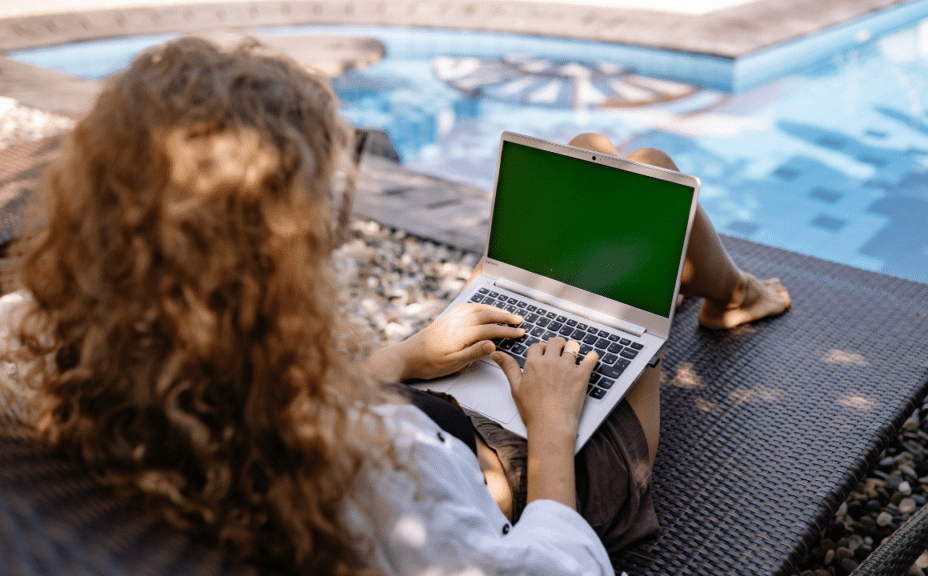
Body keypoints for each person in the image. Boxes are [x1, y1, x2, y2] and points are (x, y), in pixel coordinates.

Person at [0, 36, 789, 576]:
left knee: (601, 162)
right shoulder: (364, 469)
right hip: (546, 479)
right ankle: (731, 296)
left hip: (436, 413)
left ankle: (713, 291)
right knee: (644, 174)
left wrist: (399, 360)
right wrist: (551, 430)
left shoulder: (31, 347)